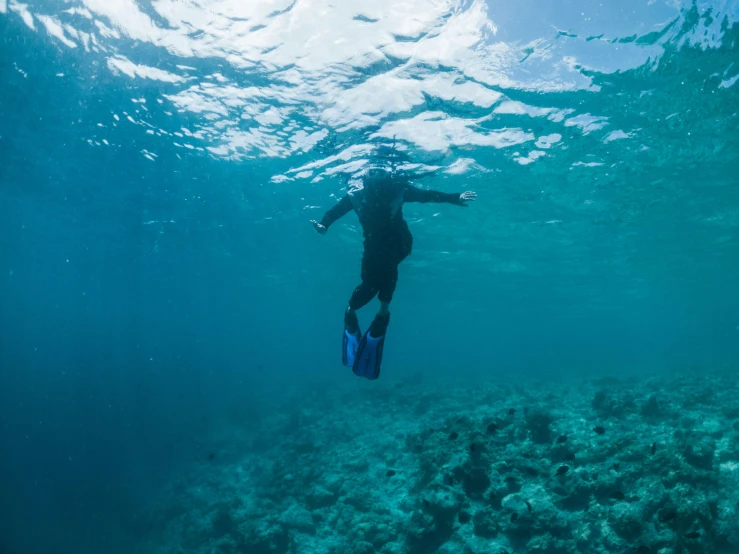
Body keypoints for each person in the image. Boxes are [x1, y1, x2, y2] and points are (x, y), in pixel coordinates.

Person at [311, 167, 477, 380]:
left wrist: (454, 197)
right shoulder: (359, 195)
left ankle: (372, 309)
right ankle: (364, 311)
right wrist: (324, 224)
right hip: (378, 246)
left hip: (398, 244)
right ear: (367, 184)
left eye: (381, 186)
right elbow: (336, 211)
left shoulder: (395, 190)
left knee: (383, 275)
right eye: (375, 186)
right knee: (373, 282)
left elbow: (426, 196)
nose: (379, 191)